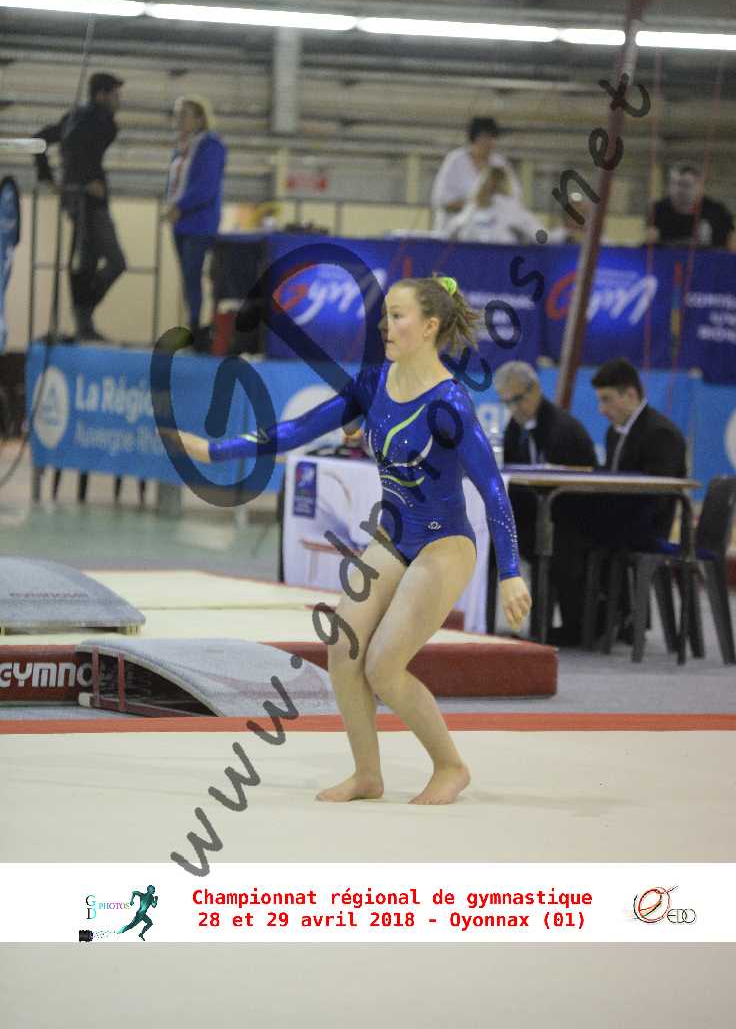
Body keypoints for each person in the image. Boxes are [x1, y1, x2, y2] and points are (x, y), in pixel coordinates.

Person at [168, 275, 531, 805]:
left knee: (384, 665)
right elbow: (298, 429)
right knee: (343, 647)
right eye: (385, 315)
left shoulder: (450, 403)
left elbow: (493, 489)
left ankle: (451, 766)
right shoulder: (372, 383)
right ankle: (367, 774)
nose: (386, 325)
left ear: (430, 326)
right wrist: (212, 450)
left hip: (444, 544)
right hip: (394, 536)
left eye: (398, 316)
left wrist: (511, 573)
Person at [494, 360, 597, 646]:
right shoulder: (515, 427)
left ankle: (562, 627)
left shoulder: (563, 429)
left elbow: (573, 492)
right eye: (506, 402)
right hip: (538, 515)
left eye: (517, 399)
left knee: (550, 542)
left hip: (574, 519)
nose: (514, 408)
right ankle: (484, 621)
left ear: (535, 389)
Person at [33, 72, 126, 341]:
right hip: (86, 199)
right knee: (109, 261)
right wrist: (66, 181)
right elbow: (57, 145)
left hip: (85, 198)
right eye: (115, 94)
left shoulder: (88, 120)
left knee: (87, 261)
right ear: (101, 95)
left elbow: (47, 141)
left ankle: (84, 319)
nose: (119, 100)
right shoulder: (87, 119)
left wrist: (51, 179)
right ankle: (83, 314)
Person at [591, 357, 687, 547]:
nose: (601, 410)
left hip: (645, 535)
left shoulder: (661, 434)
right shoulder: (614, 432)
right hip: (617, 526)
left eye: (607, 400)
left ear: (630, 394)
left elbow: (658, 500)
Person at [162, 96, 227, 336]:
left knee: (194, 273)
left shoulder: (211, 146)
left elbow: (206, 186)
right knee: (188, 277)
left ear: (200, 118)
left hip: (199, 222)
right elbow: (175, 183)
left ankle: (198, 327)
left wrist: (179, 206)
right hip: (180, 221)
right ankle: (194, 324)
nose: (178, 119)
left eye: (184, 114)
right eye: (176, 114)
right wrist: (170, 206)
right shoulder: (182, 147)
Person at [431, 116, 522, 238]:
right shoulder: (455, 161)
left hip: (491, 234)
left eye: (492, 138)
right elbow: (442, 199)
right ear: (473, 138)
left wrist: (494, 208)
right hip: (454, 233)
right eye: (484, 137)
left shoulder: (500, 163)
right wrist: (476, 206)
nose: (488, 143)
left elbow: (514, 197)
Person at [644, 162, 736, 250]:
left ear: (700, 187)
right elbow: (648, 247)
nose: (678, 190)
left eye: (685, 185)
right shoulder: (658, 210)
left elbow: (734, 246)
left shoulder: (717, 211)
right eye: (674, 183)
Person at [446, 166, 546, 245]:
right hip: (502, 259)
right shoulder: (512, 208)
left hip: (472, 260)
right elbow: (541, 237)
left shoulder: (470, 210)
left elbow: (449, 233)